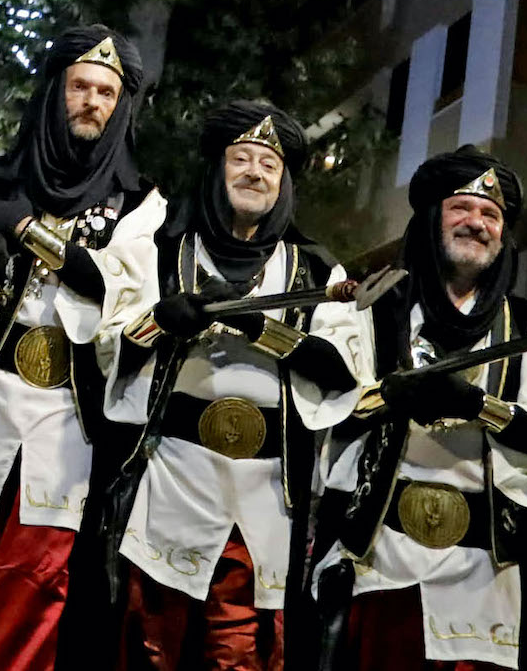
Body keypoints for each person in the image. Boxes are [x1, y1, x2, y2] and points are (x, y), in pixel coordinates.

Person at [0, 27, 162, 671]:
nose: (92, 101)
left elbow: (121, 292)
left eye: (107, 92)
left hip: (66, 418)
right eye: (80, 86)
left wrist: (25, 230)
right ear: (56, 93)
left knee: (33, 582)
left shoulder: (141, 202)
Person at [100, 101, 357, 670]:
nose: (254, 172)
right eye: (241, 158)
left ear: (284, 181)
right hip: (173, 478)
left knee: (241, 655)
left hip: (266, 494)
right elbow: (111, 343)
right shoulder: (163, 250)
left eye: (269, 164)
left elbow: (342, 372)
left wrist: (259, 328)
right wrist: (163, 320)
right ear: (217, 168)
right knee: (152, 646)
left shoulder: (318, 273)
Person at [305, 146, 527, 671]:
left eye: (491, 215)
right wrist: (392, 396)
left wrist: (477, 405)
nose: (477, 223)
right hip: (380, 558)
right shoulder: (375, 302)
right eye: (462, 209)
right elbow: (331, 404)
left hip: (481, 573)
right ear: (433, 218)